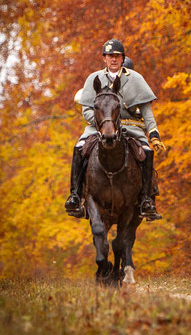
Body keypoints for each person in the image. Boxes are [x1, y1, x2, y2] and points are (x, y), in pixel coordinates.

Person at [65, 39, 165, 220]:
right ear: (104, 58)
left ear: (122, 58)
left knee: (147, 152)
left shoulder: (136, 79)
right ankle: (75, 196)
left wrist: (154, 134)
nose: (113, 59)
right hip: (99, 127)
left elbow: (146, 110)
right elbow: (86, 109)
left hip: (131, 127)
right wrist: (103, 123)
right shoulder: (93, 79)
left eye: (117, 56)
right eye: (110, 56)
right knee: (79, 147)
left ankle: (146, 200)